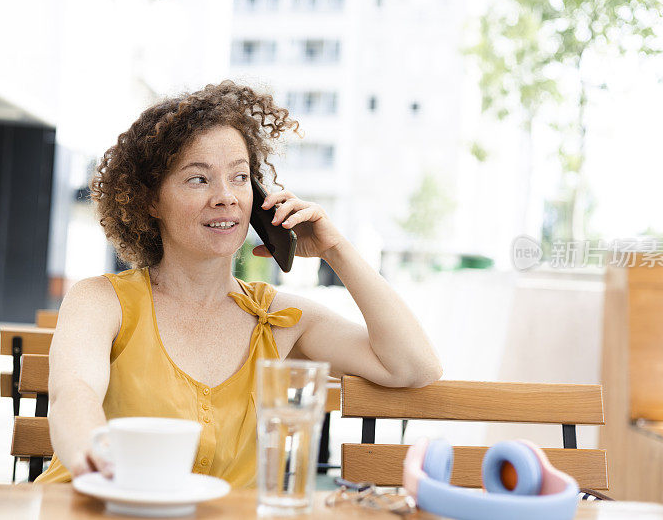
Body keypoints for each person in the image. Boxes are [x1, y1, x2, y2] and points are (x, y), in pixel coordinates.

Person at [34, 80, 443, 486]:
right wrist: (94, 454)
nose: (226, 196)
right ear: (150, 201)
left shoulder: (279, 319)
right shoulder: (101, 300)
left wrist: (337, 250)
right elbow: (75, 393)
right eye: (198, 179)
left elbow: (413, 366)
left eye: (240, 177)